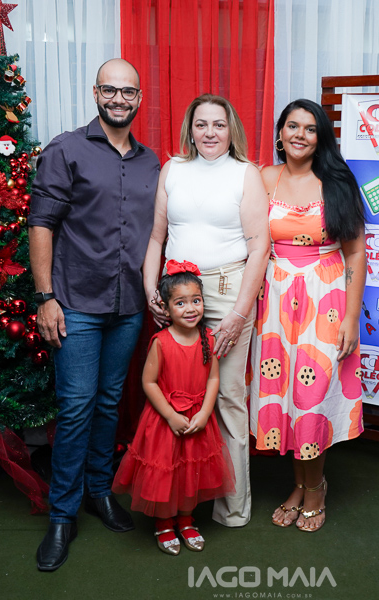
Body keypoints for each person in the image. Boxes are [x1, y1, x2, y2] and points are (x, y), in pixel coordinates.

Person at [29, 58, 160, 571]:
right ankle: (62, 515)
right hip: (76, 303)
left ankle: (99, 492)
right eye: (110, 90)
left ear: (139, 98)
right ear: (95, 93)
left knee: (109, 403)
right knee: (77, 407)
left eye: (128, 92)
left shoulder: (152, 163)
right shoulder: (66, 149)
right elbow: (41, 224)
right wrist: (45, 297)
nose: (119, 99)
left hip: (128, 306)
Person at [143, 94, 269, 527]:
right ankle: (179, 500)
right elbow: (157, 237)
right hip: (176, 292)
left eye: (219, 124)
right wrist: (150, 289)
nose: (210, 132)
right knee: (177, 393)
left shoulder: (245, 174)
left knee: (228, 396)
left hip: (228, 292)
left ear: (231, 129)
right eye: (202, 124)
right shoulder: (173, 169)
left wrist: (238, 314)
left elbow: (259, 248)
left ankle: (232, 507)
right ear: (190, 129)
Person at [249, 99, 366, 532]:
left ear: (321, 138)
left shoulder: (337, 182)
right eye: (292, 126)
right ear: (280, 133)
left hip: (326, 298)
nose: (300, 134)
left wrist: (351, 318)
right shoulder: (265, 178)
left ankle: (316, 489)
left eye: (310, 128)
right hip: (275, 300)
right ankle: (299, 485)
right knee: (283, 395)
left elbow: (355, 252)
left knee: (311, 396)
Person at [112, 261, 235, 555]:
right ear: (166, 310)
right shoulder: (161, 342)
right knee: (167, 473)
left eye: (196, 300)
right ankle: (165, 523)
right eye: (180, 303)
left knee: (191, 473)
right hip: (166, 422)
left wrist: (205, 413)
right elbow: (149, 382)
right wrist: (170, 415)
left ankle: (186, 520)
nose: (190, 309)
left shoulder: (208, 338)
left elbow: (213, 378)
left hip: (197, 419)